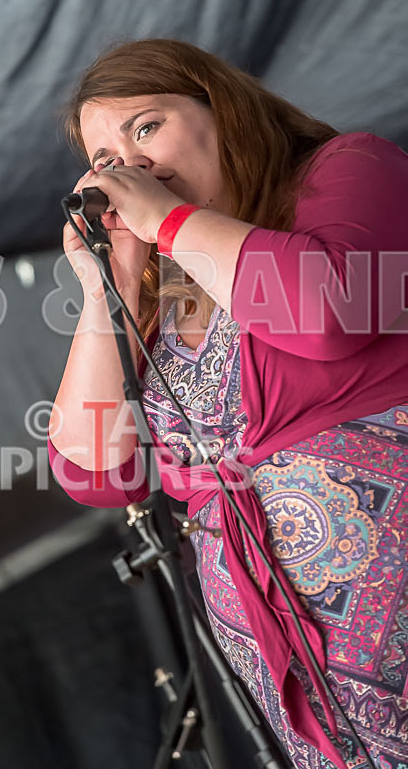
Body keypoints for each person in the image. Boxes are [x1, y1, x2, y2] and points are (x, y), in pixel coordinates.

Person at [48, 38, 408, 769]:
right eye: (106, 157)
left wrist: (168, 221)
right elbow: (97, 473)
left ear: (224, 110)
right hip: (311, 684)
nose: (130, 165)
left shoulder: (344, 172)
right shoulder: (163, 295)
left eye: (146, 127)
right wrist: (103, 294)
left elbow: (328, 308)